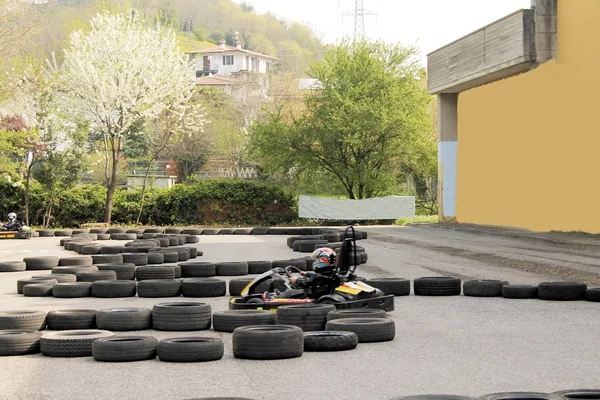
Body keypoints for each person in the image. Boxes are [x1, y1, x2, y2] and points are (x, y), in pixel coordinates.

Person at [262, 247, 337, 300]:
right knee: (301, 280)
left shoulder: (319, 276)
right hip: (320, 292)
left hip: (310, 295)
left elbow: (305, 283)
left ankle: (275, 298)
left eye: (316, 259)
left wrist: (296, 280)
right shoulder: (330, 274)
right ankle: (280, 294)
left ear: (321, 260)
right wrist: (306, 274)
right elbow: (315, 277)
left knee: (289, 292)